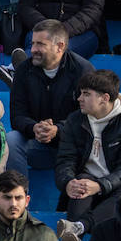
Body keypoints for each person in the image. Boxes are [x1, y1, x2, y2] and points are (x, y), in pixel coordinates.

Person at [53, 69, 121, 241]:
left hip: (120, 183)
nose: (79, 98)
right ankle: (75, 238)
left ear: (104, 98)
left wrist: (101, 186)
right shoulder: (75, 120)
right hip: (86, 180)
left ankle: (78, 228)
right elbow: (65, 160)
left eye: (86, 94)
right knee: (78, 191)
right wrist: (68, 182)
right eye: (80, 93)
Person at [6, 20, 93, 178]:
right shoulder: (24, 70)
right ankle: (17, 195)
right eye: (32, 43)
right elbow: (17, 116)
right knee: (12, 139)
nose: (33, 50)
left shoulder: (82, 70)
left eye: (40, 44)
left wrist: (58, 129)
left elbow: (88, 117)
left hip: (73, 149)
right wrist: (34, 127)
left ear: (60, 46)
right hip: (38, 144)